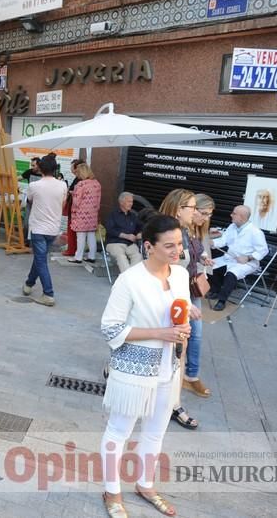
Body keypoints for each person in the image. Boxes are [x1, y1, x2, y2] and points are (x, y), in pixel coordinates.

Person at [100, 214, 200, 518]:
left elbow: (176, 311)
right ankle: (111, 491)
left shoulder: (181, 275)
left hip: (169, 367)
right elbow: (110, 328)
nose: (176, 251)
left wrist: (186, 318)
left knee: (156, 432)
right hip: (133, 369)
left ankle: (145, 485)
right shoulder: (130, 280)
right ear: (148, 246)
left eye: (179, 244)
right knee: (119, 431)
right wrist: (161, 333)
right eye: (168, 245)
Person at [158, 188, 200, 431]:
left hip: (179, 304)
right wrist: (183, 301)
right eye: (192, 207)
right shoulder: (165, 232)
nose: (195, 212)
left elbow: (183, 271)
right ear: (177, 208)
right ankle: (114, 367)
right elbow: (160, 272)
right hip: (164, 303)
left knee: (179, 352)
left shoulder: (186, 231)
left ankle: (175, 404)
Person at [22, 154, 67, 307]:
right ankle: (29, 283)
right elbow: (63, 204)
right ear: (55, 169)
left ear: (40, 168)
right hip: (53, 228)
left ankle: (48, 293)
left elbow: (29, 201)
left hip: (38, 227)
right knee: (39, 258)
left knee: (41, 260)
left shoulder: (34, 186)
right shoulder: (62, 185)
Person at [183, 193, 216, 399]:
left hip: (192, 284)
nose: (205, 218)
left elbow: (199, 248)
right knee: (183, 333)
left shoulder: (195, 228)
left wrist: (204, 258)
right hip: (179, 288)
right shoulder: (179, 229)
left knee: (196, 332)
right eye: (203, 213)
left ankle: (191, 375)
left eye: (209, 215)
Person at [209, 205, 269, 311]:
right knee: (209, 265)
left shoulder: (256, 232)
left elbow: (263, 250)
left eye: (234, 213)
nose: (231, 215)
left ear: (241, 217)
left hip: (247, 263)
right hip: (230, 258)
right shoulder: (232, 226)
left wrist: (248, 257)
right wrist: (212, 243)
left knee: (231, 274)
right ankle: (216, 290)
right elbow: (224, 240)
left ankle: (222, 300)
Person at [68, 162, 101, 264]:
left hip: (81, 214)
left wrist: (73, 196)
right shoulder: (97, 183)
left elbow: (77, 202)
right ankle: (92, 256)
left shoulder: (81, 184)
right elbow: (98, 200)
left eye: (78, 173)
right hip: (93, 214)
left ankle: (78, 257)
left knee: (81, 236)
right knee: (91, 235)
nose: (77, 175)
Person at [104, 192, 142, 274]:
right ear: (121, 202)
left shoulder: (133, 216)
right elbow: (110, 230)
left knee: (138, 256)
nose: (131, 204)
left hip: (129, 244)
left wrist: (140, 233)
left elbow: (140, 228)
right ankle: (127, 279)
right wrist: (126, 236)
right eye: (129, 201)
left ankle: (126, 278)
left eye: (131, 202)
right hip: (114, 243)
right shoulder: (113, 214)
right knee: (121, 257)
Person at [62, 159, 84, 257]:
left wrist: (70, 192)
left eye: (72, 167)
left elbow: (76, 193)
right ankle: (72, 250)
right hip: (78, 209)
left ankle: (71, 250)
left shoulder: (80, 180)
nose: (71, 169)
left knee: (73, 231)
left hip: (76, 208)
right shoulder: (80, 179)